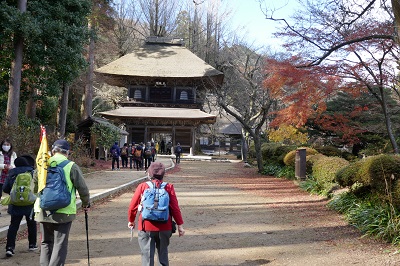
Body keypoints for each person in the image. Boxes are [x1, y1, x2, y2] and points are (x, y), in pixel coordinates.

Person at [33, 139, 90, 266]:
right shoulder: (71, 166)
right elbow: (82, 188)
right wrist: (86, 204)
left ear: (53, 151)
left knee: (46, 242)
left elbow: (35, 187)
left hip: (43, 209)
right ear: (67, 152)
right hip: (64, 211)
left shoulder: (43, 164)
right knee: (60, 243)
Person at [128, 162, 185, 266]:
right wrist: (180, 225)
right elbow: (175, 208)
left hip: (146, 226)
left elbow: (132, 207)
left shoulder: (142, 186)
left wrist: (131, 221)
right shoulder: (169, 187)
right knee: (163, 255)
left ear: (149, 174)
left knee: (147, 257)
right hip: (165, 226)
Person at [3, 155, 37, 257]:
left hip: (15, 204)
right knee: (31, 224)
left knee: (13, 225)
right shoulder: (32, 172)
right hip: (30, 203)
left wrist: (14, 194)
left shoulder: (12, 173)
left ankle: (10, 247)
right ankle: (32, 244)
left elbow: (5, 188)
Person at [0, 139, 17, 216]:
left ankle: (11, 209)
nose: (6, 146)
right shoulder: (0, 153)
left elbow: (16, 163)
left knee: (12, 193)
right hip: (1, 175)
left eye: (8, 145)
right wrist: (4, 166)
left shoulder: (13, 154)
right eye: (5, 144)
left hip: (10, 176)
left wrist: (11, 167)